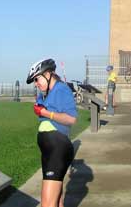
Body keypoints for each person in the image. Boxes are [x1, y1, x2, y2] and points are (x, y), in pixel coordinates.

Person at [27, 58, 78, 207]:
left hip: (58, 148)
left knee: (48, 204)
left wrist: (45, 113)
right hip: (49, 152)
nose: (36, 84)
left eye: (37, 79)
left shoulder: (61, 89)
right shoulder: (46, 93)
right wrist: (40, 108)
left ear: (48, 74)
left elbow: (71, 119)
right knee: (57, 202)